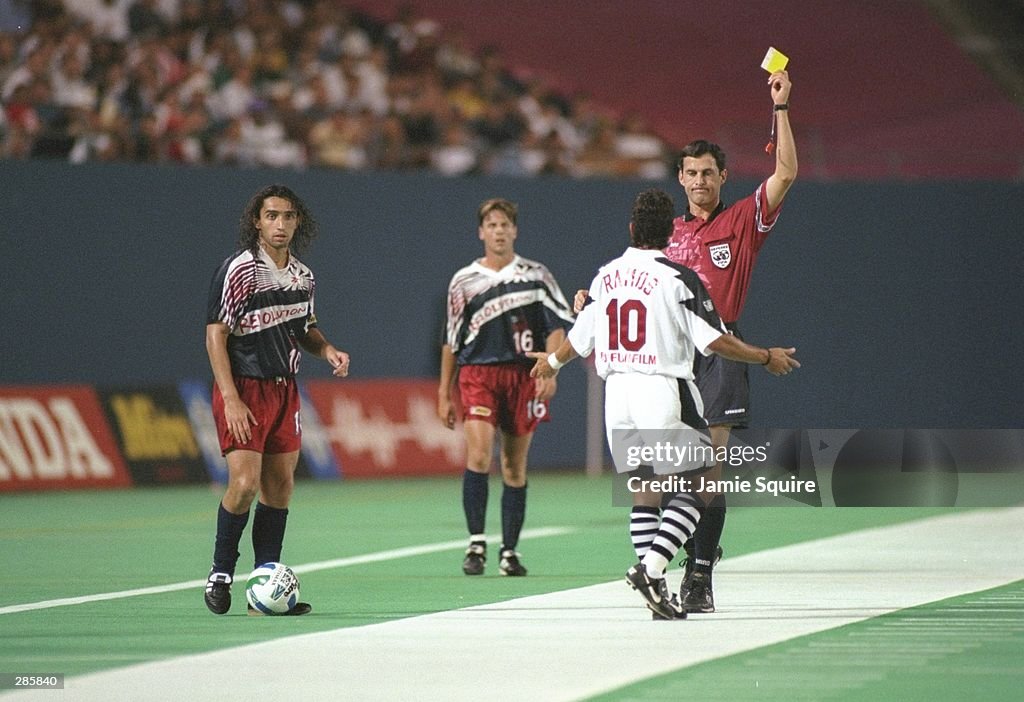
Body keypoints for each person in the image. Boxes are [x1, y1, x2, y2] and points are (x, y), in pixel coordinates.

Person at [572, 70, 797, 613]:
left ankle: (698, 575)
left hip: (719, 353)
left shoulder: (743, 221)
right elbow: (632, 284)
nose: (699, 181)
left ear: (724, 177)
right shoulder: (664, 234)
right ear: (680, 177)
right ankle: (657, 575)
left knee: (706, 471)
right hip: (666, 360)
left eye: (709, 173)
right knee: (651, 476)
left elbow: (786, 171)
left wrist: (782, 108)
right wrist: (592, 298)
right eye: (691, 173)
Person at [532, 188, 798, 619]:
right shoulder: (677, 279)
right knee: (700, 486)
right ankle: (651, 570)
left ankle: (655, 590)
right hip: (661, 390)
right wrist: (765, 356)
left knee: (645, 493)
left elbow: (578, 342)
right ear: (667, 233)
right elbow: (715, 340)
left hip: (616, 396)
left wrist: (549, 364)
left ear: (632, 229)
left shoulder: (604, 277)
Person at [204, 184, 350, 616]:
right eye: (271, 216)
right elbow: (216, 334)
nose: (280, 224)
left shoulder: (303, 276)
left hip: (285, 390)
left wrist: (327, 350)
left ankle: (263, 586)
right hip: (245, 388)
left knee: (280, 487)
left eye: (287, 216)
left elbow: (303, 328)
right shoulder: (239, 271)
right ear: (257, 221)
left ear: (297, 222)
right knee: (245, 484)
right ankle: (220, 573)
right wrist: (230, 397)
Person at [438, 198, 575, 576]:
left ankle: (510, 551)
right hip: (477, 375)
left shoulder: (536, 275)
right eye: (491, 225)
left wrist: (550, 370)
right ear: (481, 232)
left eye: (505, 225)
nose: (498, 231)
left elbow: (556, 327)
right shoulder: (464, 281)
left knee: (514, 466)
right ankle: (476, 544)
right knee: (479, 454)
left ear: (514, 230)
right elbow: (451, 340)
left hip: (521, 377)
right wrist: (442, 394)